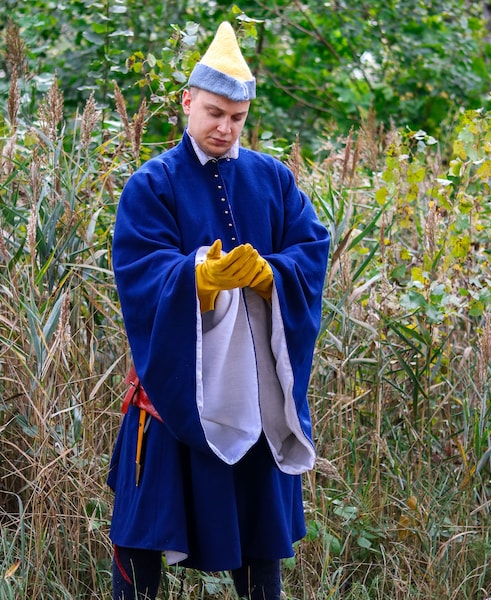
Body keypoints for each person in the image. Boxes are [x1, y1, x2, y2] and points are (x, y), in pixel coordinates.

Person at [108, 21, 330, 600]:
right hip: (171, 394)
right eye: (213, 113)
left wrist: (272, 275)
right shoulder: (151, 185)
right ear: (187, 101)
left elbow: (311, 250)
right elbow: (139, 273)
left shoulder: (273, 179)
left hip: (255, 395)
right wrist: (198, 280)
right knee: (140, 537)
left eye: (236, 117)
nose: (224, 128)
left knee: (259, 544)